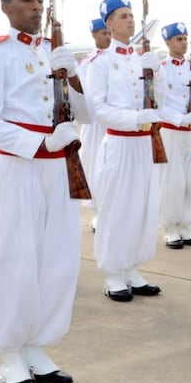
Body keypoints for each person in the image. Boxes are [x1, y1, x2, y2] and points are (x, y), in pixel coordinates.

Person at [0, 0, 93, 383]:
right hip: (17, 168)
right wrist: (41, 145)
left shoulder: (54, 51)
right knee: (16, 261)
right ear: (6, 7)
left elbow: (88, 114)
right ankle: (10, 355)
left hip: (56, 171)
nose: (36, 7)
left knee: (57, 260)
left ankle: (39, 346)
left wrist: (73, 73)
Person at [87, 0, 178, 301]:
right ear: (109, 24)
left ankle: (133, 267)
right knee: (118, 209)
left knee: (143, 207)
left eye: (131, 16)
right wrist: (135, 117)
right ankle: (113, 272)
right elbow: (96, 108)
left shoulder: (144, 58)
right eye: (123, 16)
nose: (130, 20)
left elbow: (161, 101)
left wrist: (159, 73)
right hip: (120, 142)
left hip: (145, 145)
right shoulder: (101, 62)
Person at [155, 21, 191, 249]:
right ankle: (170, 228)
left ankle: (187, 226)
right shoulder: (161, 69)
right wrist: (179, 118)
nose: (184, 43)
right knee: (172, 183)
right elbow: (158, 104)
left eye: (185, 38)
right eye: (179, 39)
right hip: (172, 131)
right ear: (167, 42)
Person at [79, 17, 111, 231]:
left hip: (116, 122)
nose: (107, 37)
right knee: (94, 168)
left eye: (109, 33)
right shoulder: (87, 63)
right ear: (94, 35)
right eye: (103, 34)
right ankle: (99, 212)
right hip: (95, 124)